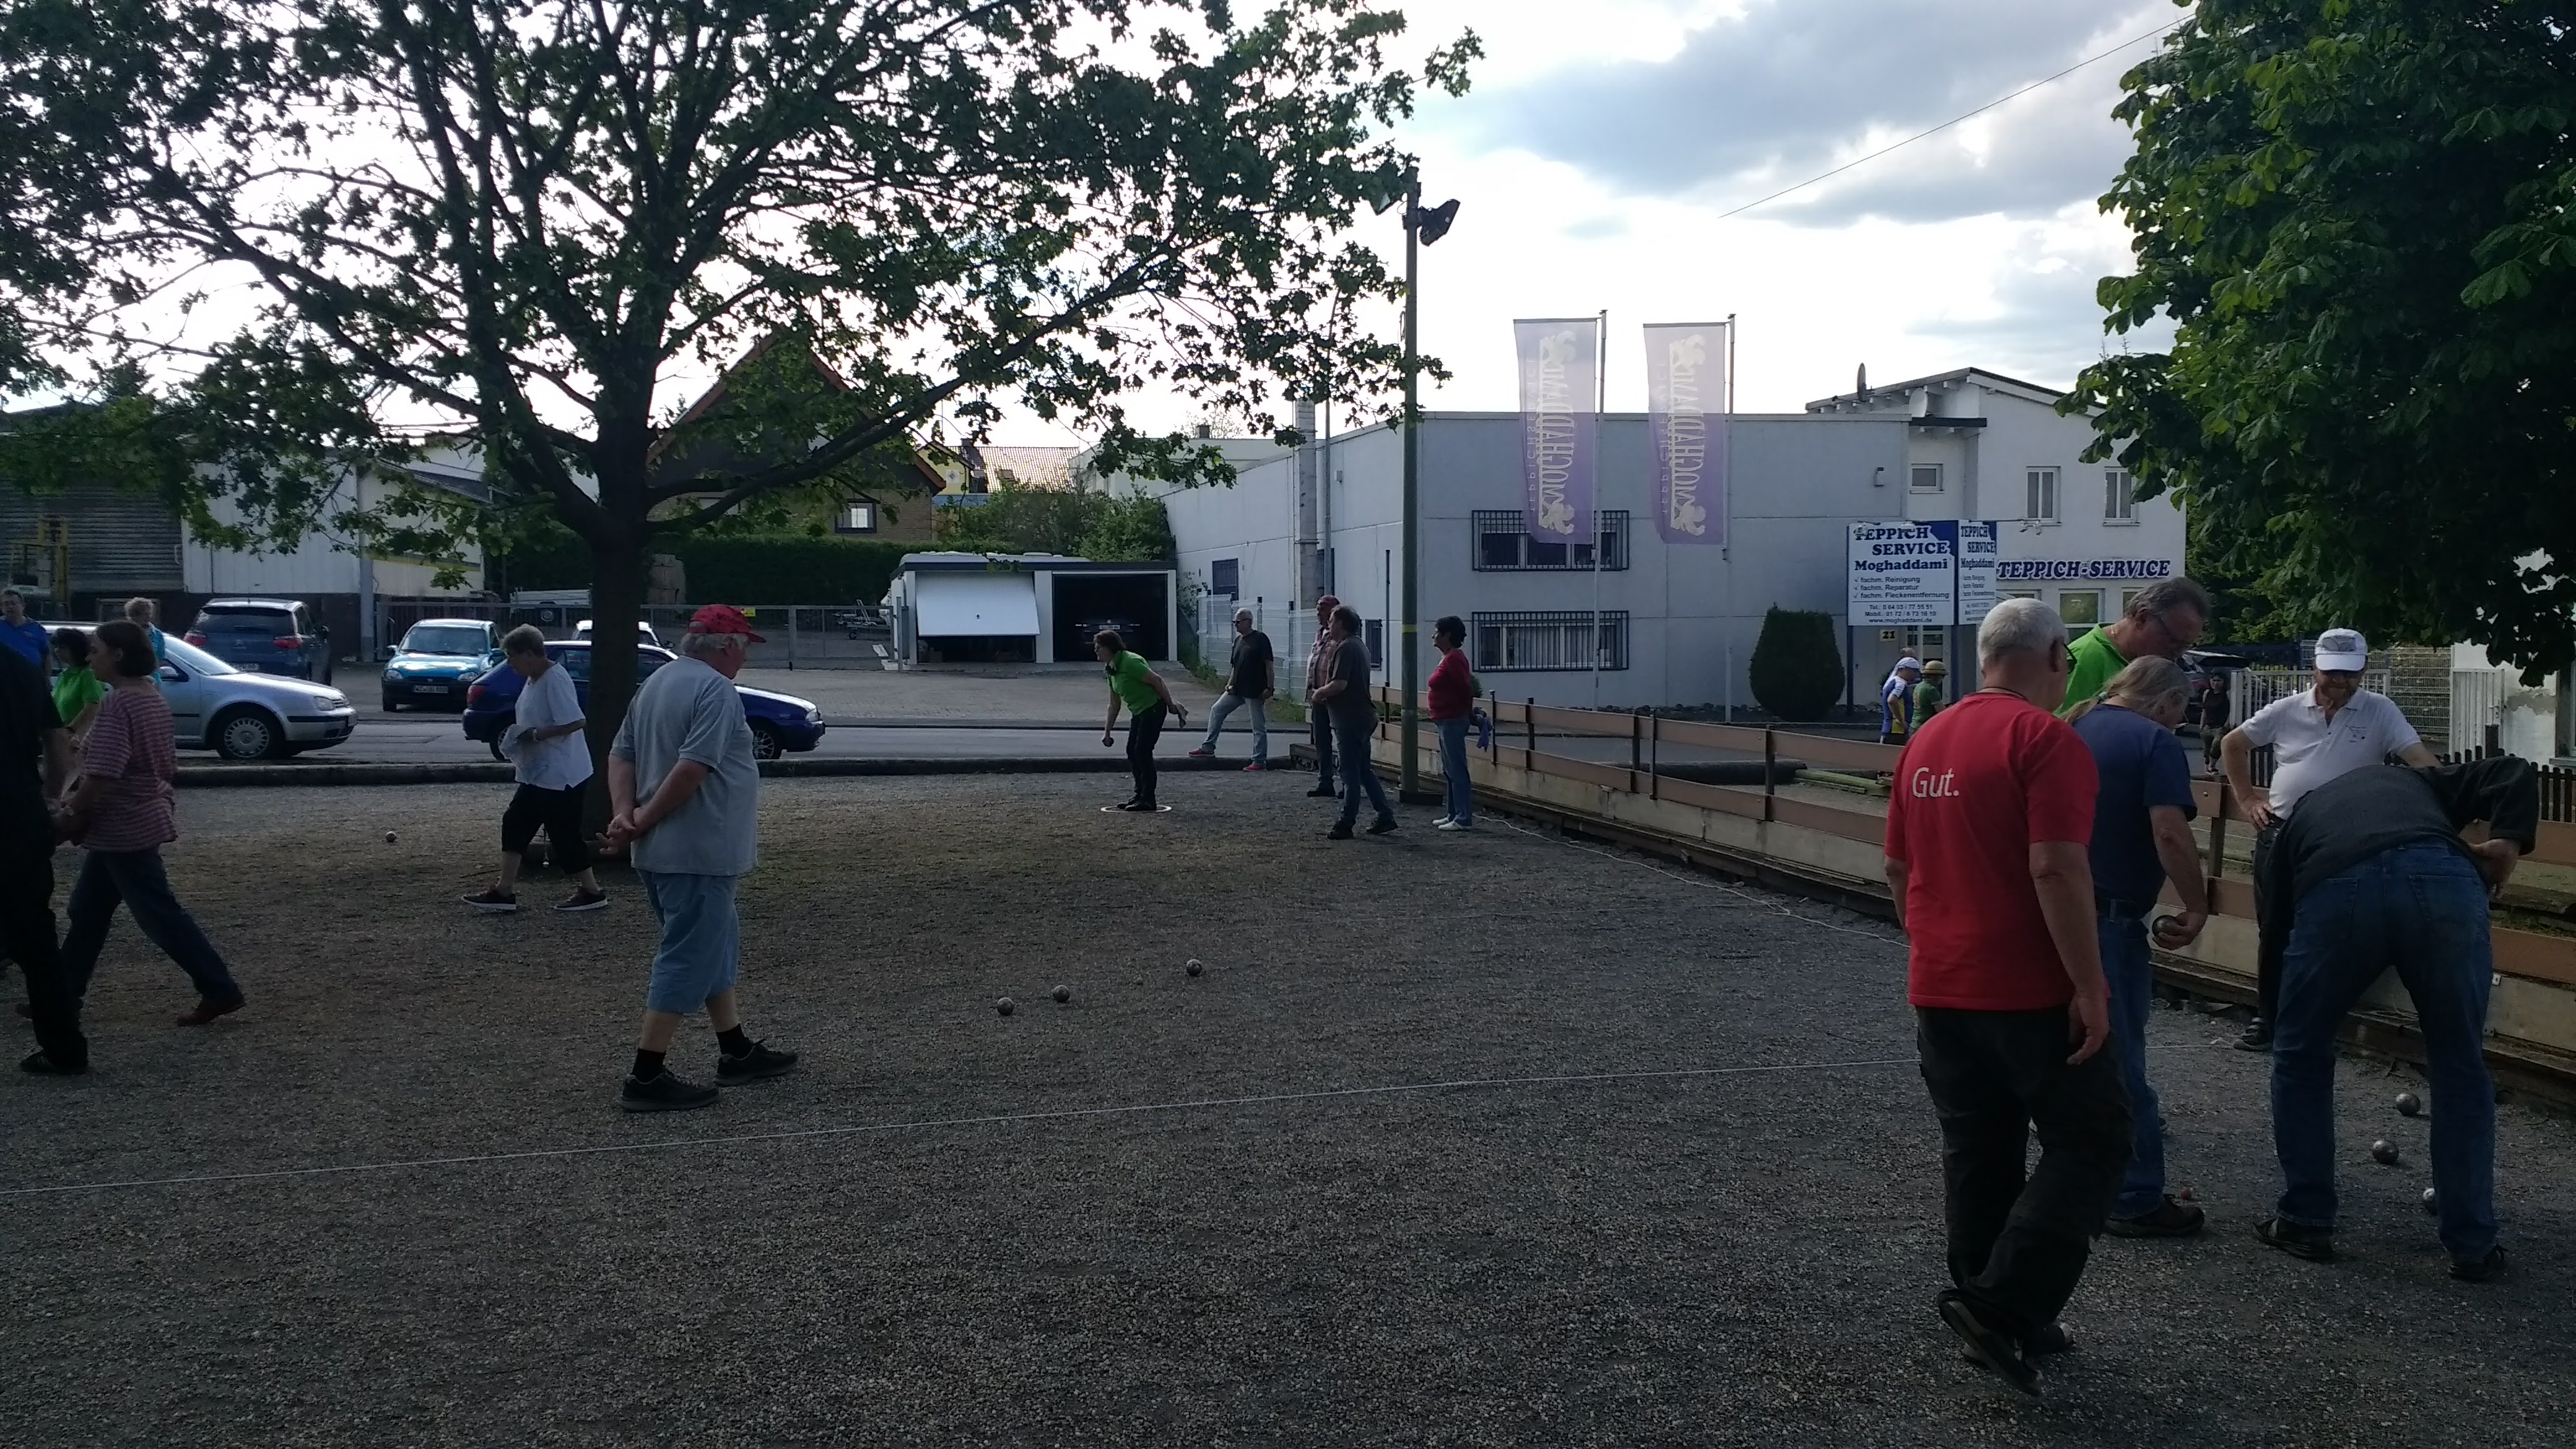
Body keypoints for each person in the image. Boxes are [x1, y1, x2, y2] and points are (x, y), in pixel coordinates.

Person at [1881, 598, 2130, 1399]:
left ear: (1985, 656)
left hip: (1940, 986)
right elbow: (2055, 867)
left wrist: (1935, 944)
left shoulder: (1926, 740)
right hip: (2025, 989)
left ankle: (1986, 1308)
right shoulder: (2044, 739)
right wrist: (2087, 985)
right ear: (2057, 657)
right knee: (2093, 1140)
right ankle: (2003, 1305)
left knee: (1978, 1148)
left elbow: (1897, 870)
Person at [2252, 754, 2534, 1282]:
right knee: (2459, 1064)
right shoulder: (2422, 782)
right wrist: (2508, 842)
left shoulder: (2303, 815)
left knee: (2301, 1053)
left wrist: (2274, 1018)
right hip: (2445, 878)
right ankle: (2473, 1244)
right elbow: (2513, 771)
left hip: (2338, 881)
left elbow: (2277, 926)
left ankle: (2306, 1221)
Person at [604, 604, 796, 1112]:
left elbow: (621, 754)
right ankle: (646, 1074)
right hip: (699, 848)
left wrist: (625, 814)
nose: (745, 658)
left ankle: (735, 1048)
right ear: (727, 646)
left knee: (715, 944)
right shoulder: (716, 692)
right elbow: (694, 768)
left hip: (666, 851)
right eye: (744, 647)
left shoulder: (656, 684)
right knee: (688, 953)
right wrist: (641, 819)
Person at [2219, 627, 2439, 1048]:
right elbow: (2233, 744)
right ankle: (2270, 1018)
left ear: (2364, 670)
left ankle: (2320, 1017)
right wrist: (2246, 798)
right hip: (2283, 831)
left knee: (2338, 925)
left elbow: (2419, 759)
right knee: (2276, 927)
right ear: (2315, 668)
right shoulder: (2287, 709)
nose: (2340, 681)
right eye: (2332, 672)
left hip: (2347, 837)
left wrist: (2445, 792)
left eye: (2350, 674)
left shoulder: (2379, 710)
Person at [2069, 656, 2211, 1238]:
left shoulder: (2076, 725)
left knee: (2072, 1051)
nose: (2181, 720)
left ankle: (2071, 1183)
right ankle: (2134, 1195)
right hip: (2111, 919)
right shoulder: (2155, 742)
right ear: (2169, 702)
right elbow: (2169, 832)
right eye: (2182, 710)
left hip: (2059, 911)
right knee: (2122, 1059)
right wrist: (2196, 904)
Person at [54, 621, 247, 1026]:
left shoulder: (119, 704)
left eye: (95, 650)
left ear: (117, 655)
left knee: (158, 914)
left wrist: (72, 811)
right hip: (135, 817)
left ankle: (219, 988)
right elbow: (162, 764)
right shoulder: (150, 697)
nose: (90, 657)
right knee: (88, 909)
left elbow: (103, 773)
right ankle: (60, 993)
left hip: (123, 825)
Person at [463, 625, 608, 913]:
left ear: (530, 654)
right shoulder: (533, 679)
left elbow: (576, 721)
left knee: (564, 833)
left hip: (561, 774)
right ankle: (504, 890)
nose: (510, 664)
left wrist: (535, 735)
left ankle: (592, 892)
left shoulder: (555, 679)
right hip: (539, 772)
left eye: (512, 657)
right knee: (515, 822)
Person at [3, 642, 85, 1074]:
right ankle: (64, 1048)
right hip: (16, 812)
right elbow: (57, 740)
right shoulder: (18, 666)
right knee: (36, 937)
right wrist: (51, 797)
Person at [2058, 577, 2211, 718]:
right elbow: (2059, 730)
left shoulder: (2148, 666)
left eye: (2186, 646)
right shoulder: (2086, 659)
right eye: (2173, 640)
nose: (2177, 653)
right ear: (2142, 617)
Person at [1308, 604, 1395, 840]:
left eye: (1332, 621)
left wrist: (1319, 693)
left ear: (1341, 623)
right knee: (1363, 770)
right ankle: (1385, 815)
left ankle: (1346, 822)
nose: (1328, 625)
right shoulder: (1359, 646)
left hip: (1350, 718)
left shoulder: (1345, 648)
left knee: (1349, 772)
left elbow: (1339, 684)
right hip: (1361, 716)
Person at [1097, 630, 1186, 811]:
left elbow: (1157, 681)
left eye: (1099, 648)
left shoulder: (1130, 662)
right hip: (1138, 711)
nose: (1096, 651)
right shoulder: (1112, 669)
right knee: (1132, 751)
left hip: (1153, 708)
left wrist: (1170, 705)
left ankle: (1148, 799)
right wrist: (1107, 732)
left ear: (1110, 648)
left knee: (1142, 751)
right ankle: (1139, 794)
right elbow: (1114, 704)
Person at [1188, 607, 1273, 768]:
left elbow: (1269, 664)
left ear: (1249, 621)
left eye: (1238, 622)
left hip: (1254, 690)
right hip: (1237, 689)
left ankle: (1259, 760)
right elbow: (1235, 666)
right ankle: (1208, 747)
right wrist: (1230, 684)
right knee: (1217, 710)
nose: (1236, 625)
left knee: (1258, 726)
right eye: (1235, 622)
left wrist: (1270, 688)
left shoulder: (1260, 639)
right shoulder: (1238, 641)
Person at [1428, 614, 1476, 831]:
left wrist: (1468, 713)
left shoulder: (1454, 659)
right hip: (1445, 719)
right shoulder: (1449, 658)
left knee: (1456, 768)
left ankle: (1463, 817)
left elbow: (1465, 689)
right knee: (1449, 769)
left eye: (1437, 632)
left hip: (1453, 719)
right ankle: (1453, 813)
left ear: (1447, 635)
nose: (1434, 636)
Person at [1304, 595, 1342, 798]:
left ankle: (1347, 783)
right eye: (1318, 609)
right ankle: (1325, 780)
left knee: (1342, 741)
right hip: (1318, 695)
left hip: (1335, 696)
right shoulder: (1320, 634)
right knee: (1321, 740)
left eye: (1322, 609)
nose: (1318, 613)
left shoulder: (1341, 637)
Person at [50, 627, 104, 741]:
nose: (57, 651)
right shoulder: (64, 675)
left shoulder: (88, 674)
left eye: (62, 648)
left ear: (76, 649)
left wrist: (70, 730)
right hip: (63, 737)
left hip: (81, 739)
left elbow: (92, 708)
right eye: (56, 647)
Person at [1879, 656, 1923, 744]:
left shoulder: (1892, 681)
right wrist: (1901, 721)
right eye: (1914, 671)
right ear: (1905, 669)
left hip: (1890, 728)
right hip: (1897, 731)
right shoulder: (1900, 683)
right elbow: (1892, 700)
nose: (1915, 675)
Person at [0, 588, 47, 668]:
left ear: (23, 606)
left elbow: (46, 655)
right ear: (1, 607)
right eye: (6, 604)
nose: (10, 607)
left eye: (13, 604)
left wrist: (47, 675)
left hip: (31, 674)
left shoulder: (37, 628)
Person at [123, 596, 166, 663]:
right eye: (145, 614)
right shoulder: (125, 633)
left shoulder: (157, 634)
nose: (148, 617)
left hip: (152, 669)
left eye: (150, 614)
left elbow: (161, 658)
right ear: (134, 616)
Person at [1912, 659, 1948, 728]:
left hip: (1915, 725)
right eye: (1942, 676)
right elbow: (1941, 711)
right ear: (1936, 676)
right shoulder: (1931, 690)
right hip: (1925, 726)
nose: (1942, 679)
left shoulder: (1919, 686)